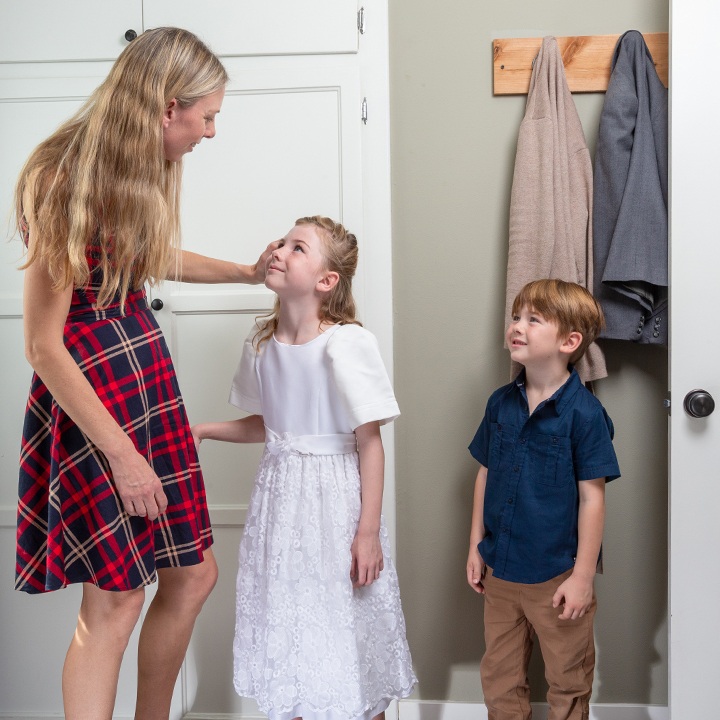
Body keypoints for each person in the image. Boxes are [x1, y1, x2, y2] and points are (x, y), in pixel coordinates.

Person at [14, 27, 275, 720]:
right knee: (115, 597)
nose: (211, 132)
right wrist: (122, 455)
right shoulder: (61, 176)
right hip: (97, 402)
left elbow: (150, 254)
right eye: (208, 115)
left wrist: (247, 274)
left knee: (192, 576)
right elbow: (43, 346)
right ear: (167, 107)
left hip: (145, 388)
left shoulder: (134, 171)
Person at [191, 216, 417, 720]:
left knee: (343, 626)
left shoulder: (346, 344)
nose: (279, 251)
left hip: (332, 502)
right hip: (279, 503)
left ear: (326, 280)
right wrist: (206, 429)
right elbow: (270, 426)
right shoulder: (262, 343)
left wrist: (368, 533)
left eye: (298, 248)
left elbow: (370, 444)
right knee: (291, 630)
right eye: (281, 242)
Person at [465, 279, 621, 720]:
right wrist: (475, 545)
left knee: (568, 678)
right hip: (500, 570)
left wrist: (582, 578)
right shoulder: (500, 404)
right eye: (517, 316)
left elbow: (593, 500)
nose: (518, 326)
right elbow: (485, 473)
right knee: (500, 674)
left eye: (534, 319)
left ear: (570, 342)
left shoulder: (585, 415)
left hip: (557, 577)